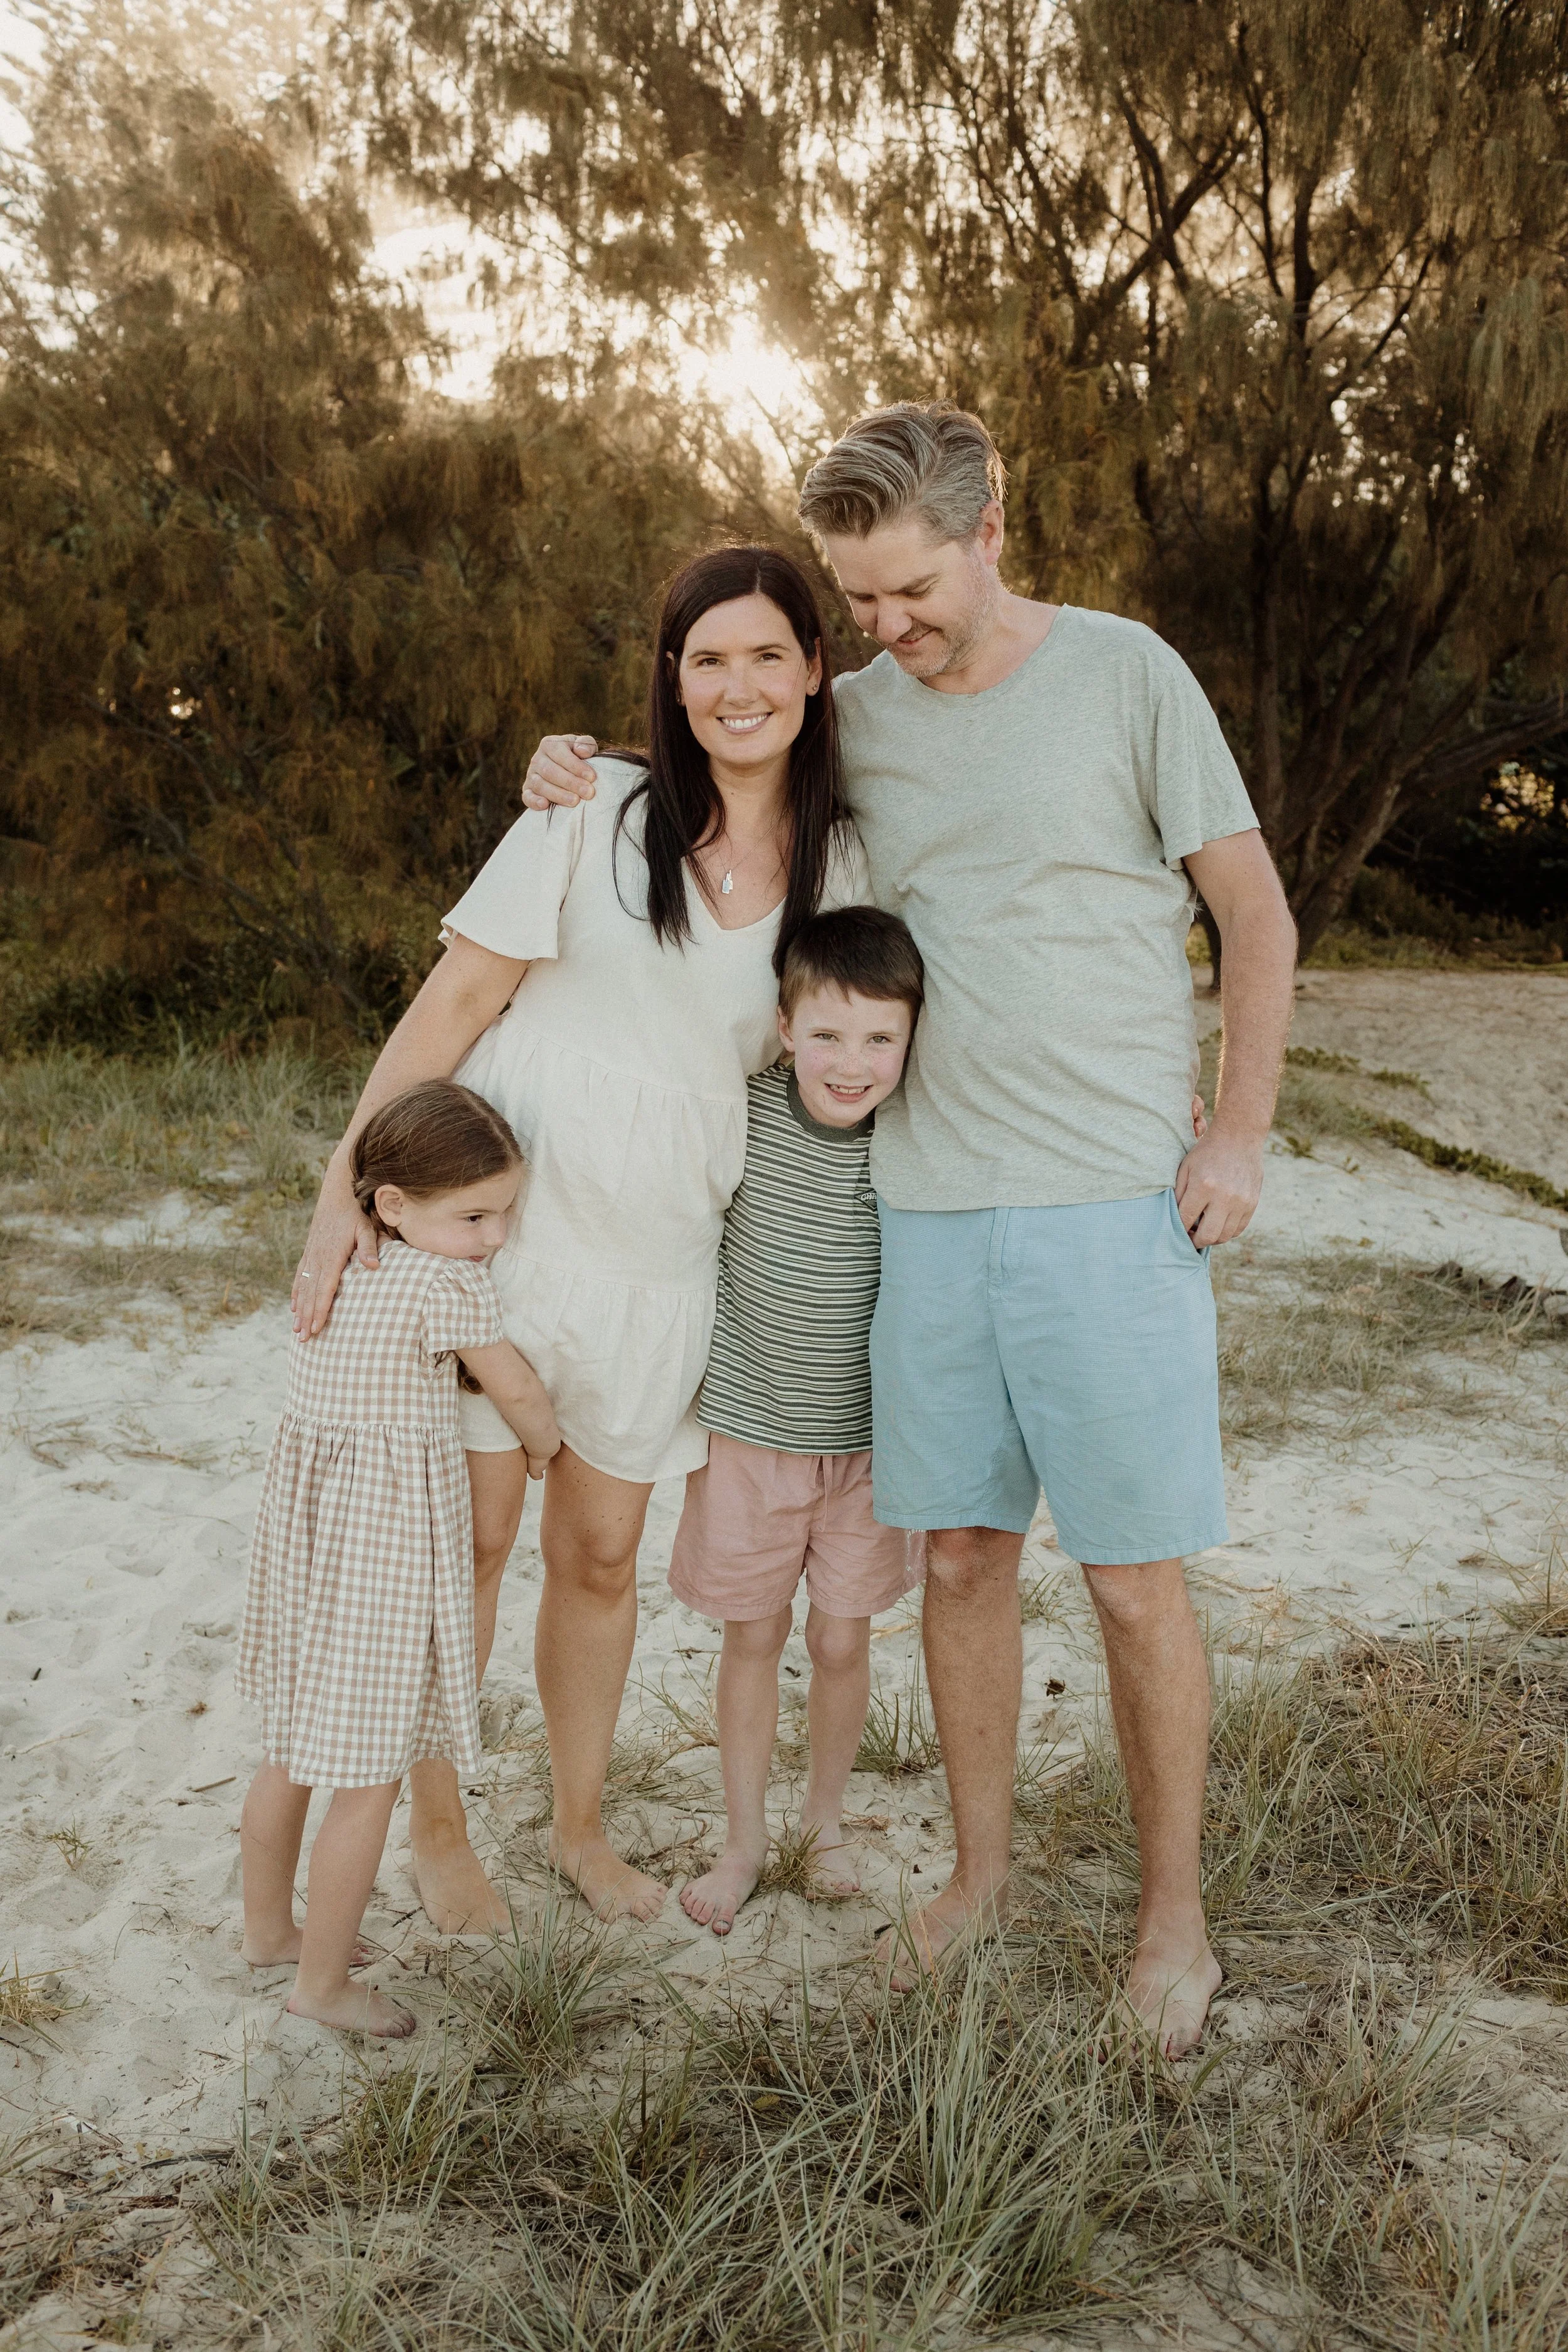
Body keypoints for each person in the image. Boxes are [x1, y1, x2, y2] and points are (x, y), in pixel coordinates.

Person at [521, 405, 1299, 2055]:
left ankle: (1172, 1917)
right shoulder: (856, 712)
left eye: (911, 590)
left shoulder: (1126, 674)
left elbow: (1252, 909)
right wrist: (573, 768)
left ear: (989, 530)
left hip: (1109, 1202)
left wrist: (1236, 1128)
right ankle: (978, 1881)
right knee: (957, 1558)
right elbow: (723, 753)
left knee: (1133, 1582)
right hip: (925, 1210)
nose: (886, 627)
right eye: (859, 599)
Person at [289, 546, 870, 1931]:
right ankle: (439, 1834)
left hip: (663, 1260)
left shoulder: (846, 857)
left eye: (766, 655)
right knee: (471, 1544)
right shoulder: (591, 807)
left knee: (601, 1556)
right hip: (499, 1242)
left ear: (813, 671)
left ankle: (578, 1827)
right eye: (707, 658)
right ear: (673, 678)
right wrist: (340, 1197)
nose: (737, 685)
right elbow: (452, 1007)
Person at [238, 1081, 561, 2036]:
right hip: (381, 1554)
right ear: (392, 1205)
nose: (495, 1237)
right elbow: (515, 1388)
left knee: (288, 1751)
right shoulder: (442, 1284)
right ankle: (323, 1987)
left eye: (505, 1213)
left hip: (306, 1541)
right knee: (371, 1775)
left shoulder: (339, 1272)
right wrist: (543, 1446)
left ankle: (268, 1930)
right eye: (475, 1216)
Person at [672, 906, 925, 1935]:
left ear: (911, 1039)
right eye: (827, 1034)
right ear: (785, 1028)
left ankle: (823, 1822)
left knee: (839, 1639)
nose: (851, 1063)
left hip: (866, 1448)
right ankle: (742, 1839)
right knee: (753, 1633)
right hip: (750, 1432)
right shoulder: (746, 1111)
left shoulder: (918, 1134)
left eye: (879, 1038)